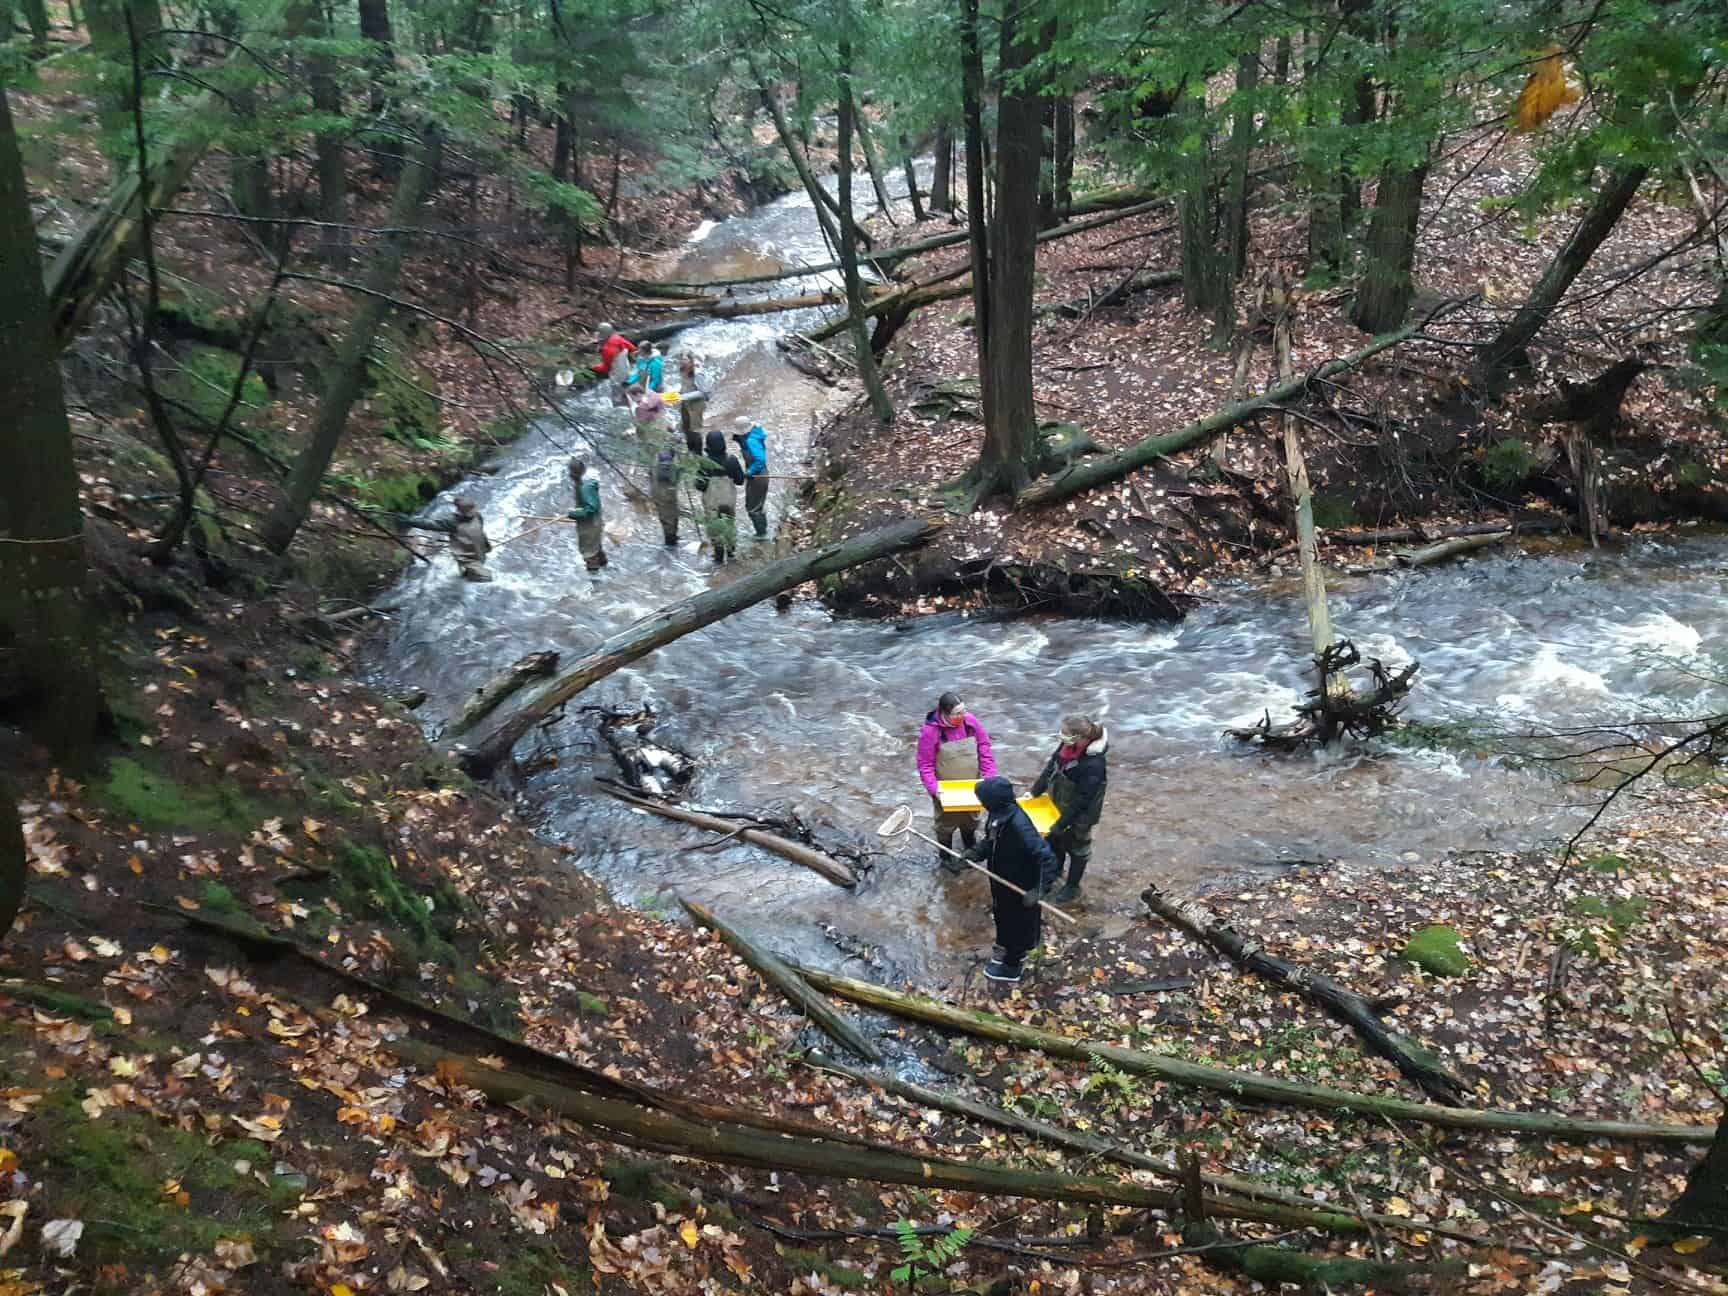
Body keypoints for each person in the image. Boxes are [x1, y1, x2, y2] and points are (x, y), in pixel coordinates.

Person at [966, 777, 1060, 984]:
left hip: (1021, 884)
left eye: (982, 799)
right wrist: (974, 853)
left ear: (994, 801)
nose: (980, 803)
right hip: (1002, 878)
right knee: (1003, 915)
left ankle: (1012, 966)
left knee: (1018, 922)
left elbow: (1047, 857)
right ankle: (1008, 944)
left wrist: (1040, 889)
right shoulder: (997, 815)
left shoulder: (1019, 825)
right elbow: (991, 841)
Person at [1029, 715, 1109, 903]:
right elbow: (1050, 769)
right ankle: (1056, 871)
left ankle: (1072, 886)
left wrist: (1062, 823)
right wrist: (1034, 792)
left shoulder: (1094, 764)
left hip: (1081, 814)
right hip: (1056, 803)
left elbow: (1083, 799)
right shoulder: (1066, 747)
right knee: (1055, 841)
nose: (1061, 737)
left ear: (1080, 738)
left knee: (1078, 848)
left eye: (1065, 734)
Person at [916, 692, 998, 869]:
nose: (963, 716)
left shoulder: (970, 722)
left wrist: (989, 777)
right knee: (945, 824)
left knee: (971, 819)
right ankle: (945, 857)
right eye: (957, 713)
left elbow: (984, 747)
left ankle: (969, 850)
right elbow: (925, 765)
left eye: (964, 711)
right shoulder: (930, 732)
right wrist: (934, 789)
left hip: (972, 785)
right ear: (945, 713)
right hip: (946, 790)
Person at [406, 495, 492, 581]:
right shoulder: (452, 522)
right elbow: (430, 524)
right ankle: (466, 576)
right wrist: (411, 521)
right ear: (461, 512)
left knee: (472, 573)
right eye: (470, 512)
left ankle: (466, 575)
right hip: (467, 557)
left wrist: (486, 545)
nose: (472, 514)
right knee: (487, 578)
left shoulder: (477, 515)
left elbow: (481, 531)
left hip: (479, 550)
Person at [693, 430, 745, 564]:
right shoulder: (731, 460)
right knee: (729, 524)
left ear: (708, 445)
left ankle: (718, 559)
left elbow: (700, 485)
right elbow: (740, 481)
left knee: (715, 529)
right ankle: (731, 554)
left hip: (712, 502)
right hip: (728, 501)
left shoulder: (705, 463)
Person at [565, 459, 607, 572]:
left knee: (589, 553)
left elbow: (591, 508)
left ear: (577, 473)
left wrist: (574, 513)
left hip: (590, 526)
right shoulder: (586, 482)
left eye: (572, 472)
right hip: (594, 522)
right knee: (596, 547)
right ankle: (605, 568)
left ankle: (596, 582)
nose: (569, 474)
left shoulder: (585, 487)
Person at [732, 417, 770, 538]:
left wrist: (750, 471)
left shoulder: (751, 441)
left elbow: (760, 460)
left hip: (758, 475)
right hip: (759, 474)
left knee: (753, 508)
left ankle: (761, 534)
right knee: (756, 505)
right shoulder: (754, 435)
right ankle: (762, 530)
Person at [591, 322, 637, 406]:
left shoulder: (607, 349)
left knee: (617, 400)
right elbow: (632, 348)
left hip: (617, 377)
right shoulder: (618, 338)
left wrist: (594, 368)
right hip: (627, 371)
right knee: (627, 392)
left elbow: (606, 368)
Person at [677, 353, 709, 453]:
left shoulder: (698, 373)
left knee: (695, 430)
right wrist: (677, 395)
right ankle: (690, 448)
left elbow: (703, 392)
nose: (683, 361)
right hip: (685, 403)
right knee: (685, 427)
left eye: (685, 359)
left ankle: (698, 453)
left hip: (696, 405)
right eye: (682, 359)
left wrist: (684, 397)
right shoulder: (682, 370)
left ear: (691, 361)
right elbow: (684, 386)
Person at [650, 447, 681, 546]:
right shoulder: (674, 466)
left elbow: (650, 477)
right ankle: (672, 538)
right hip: (670, 493)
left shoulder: (655, 465)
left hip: (658, 493)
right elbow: (677, 480)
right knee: (673, 514)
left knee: (665, 517)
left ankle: (669, 539)